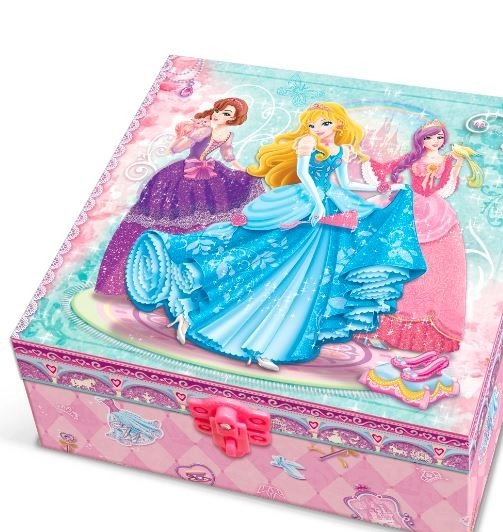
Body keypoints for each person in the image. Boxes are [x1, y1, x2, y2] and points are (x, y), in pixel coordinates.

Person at [125, 102, 425, 371]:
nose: (317, 128)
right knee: (267, 253)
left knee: (313, 276)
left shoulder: (342, 149)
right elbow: (305, 175)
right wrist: (318, 204)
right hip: (304, 202)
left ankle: (275, 343)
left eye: (324, 123)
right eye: (312, 124)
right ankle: (209, 300)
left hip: (329, 206)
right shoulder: (307, 143)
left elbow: (345, 184)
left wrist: (384, 190)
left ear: (338, 124)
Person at [96, 97, 261, 296]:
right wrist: (186, 135)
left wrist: (246, 172)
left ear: (233, 119)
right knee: (171, 217)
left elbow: (229, 157)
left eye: (226, 114)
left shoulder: (225, 134)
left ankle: (186, 275)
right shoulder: (205, 129)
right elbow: (176, 149)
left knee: (200, 220)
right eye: (218, 110)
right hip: (182, 176)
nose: (218, 115)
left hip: (207, 174)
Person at [356, 120, 479, 353]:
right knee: (394, 260)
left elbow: (445, 188)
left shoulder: (446, 160)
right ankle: (377, 325)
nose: (435, 142)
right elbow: (389, 169)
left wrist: (456, 166)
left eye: (439, 137)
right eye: (430, 137)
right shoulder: (412, 158)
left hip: (435, 211)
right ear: (421, 139)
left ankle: (423, 332)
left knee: (438, 264)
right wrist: (384, 177)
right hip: (410, 206)